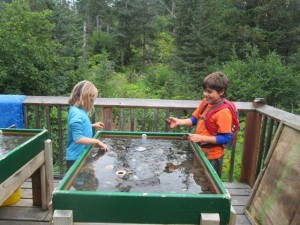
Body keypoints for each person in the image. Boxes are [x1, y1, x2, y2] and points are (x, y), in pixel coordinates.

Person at [166, 72, 233, 178]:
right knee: (198, 179)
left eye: (209, 92)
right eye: (205, 90)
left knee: (209, 186)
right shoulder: (206, 102)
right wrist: (179, 121)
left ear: (221, 91)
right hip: (199, 152)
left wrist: (201, 137)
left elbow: (226, 138)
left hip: (212, 157)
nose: (205, 94)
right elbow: (195, 119)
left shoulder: (224, 112)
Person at [66, 80, 108, 170]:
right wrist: (97, 141)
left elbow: (79, 127)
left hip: (82, 154)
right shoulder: (76, 113)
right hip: (76, 159)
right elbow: (78, 138)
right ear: (86, 97)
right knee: (79, 184)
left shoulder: (78, 110)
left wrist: (92, 125)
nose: (93, 101)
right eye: (92, 98)